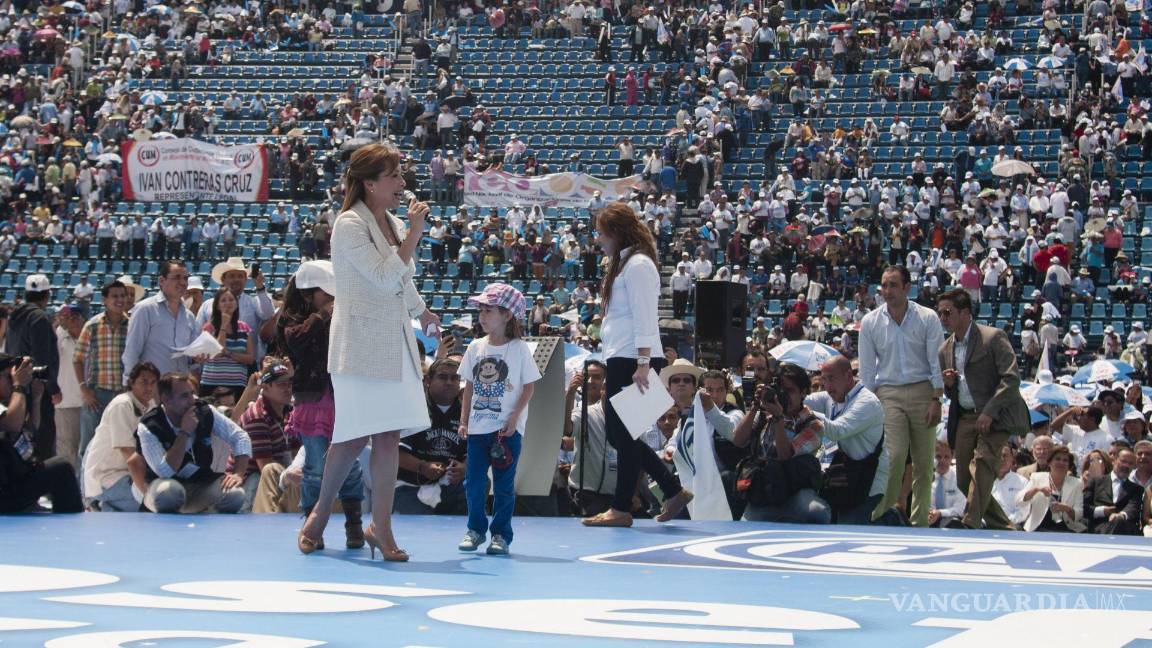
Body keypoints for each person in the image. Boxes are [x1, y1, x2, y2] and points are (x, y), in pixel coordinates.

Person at [298, 143, 439, 562]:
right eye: (393, 175)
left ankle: (382, 526)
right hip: (359, 344)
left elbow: (401, 279)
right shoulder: (348, 224)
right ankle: (320, 514)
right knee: (351, 435)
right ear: (370, 183)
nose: (402, 182)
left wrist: (422, 311)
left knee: (388, 435)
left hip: (394, 341)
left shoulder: (391, 221)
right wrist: (414, 235)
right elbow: (382, 276)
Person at [581, 203, 693, 527]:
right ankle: (672, 490)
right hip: (622, 356)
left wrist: (643, 363)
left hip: (635, 358)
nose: (598, 239)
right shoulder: (624, 263)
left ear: (616, 233)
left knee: (624, 434)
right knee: (619, 435)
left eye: (602, 233)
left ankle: (621, 508)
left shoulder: (639, 265)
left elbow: (645, 316)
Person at [276, 261, 364, 539]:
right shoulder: (290, 319)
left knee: (350, 463)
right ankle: (313, 527)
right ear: (307, 294)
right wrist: (323, 315)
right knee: (314, 465)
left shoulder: (339, 315)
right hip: (311, 399)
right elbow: (294, 341)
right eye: (324, 293)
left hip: (342, 396)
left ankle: (354, 524)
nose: (330, 298)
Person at [936, 288, 1030, 529]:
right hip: (965, 416)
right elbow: (952, 392)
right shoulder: (944, 349)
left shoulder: (993, 337)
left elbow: (1011, 379)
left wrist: (989, 411)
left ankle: (970, 522)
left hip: (997, 415)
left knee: (982, 466)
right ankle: (1005, 527)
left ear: (965, 313)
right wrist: (948, 385)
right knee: (963, 479)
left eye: (947, 312)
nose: (943, 318)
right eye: (940, 313)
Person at [457, 283, 540, 555]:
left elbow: (529, 386)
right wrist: (464, 420)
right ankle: (475, 529)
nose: (482, 316)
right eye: (481, 310)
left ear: (506, 315)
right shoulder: (475, 347)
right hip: (478, 429)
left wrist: (515, 417)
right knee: (474, 483)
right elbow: (469, 387)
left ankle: (501, 535)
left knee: (504, 485)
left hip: (506, 431)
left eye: (488, 310)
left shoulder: (519, 349)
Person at [859, 265, 946, 526]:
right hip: (888, 394)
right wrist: (868, 408)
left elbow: (936, 362)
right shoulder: (870, 322)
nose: (887, 291)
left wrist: (937, 399)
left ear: (907, 287)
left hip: (923, 391)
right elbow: (866, 372)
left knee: (924, 463)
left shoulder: (928, 317)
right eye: (884, 285)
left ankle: (920, 523)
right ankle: (881, 516)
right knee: (894, 457)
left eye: (893, 285)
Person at [134, 372, 252, 514]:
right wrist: (184, 432)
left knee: (235, 494)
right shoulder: (149, 426)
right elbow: (165, 471)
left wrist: (238, 473)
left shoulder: (204, 411)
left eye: (192, 393)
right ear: (166, 399)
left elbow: (240, 437)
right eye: (184, 396)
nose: (191, 400)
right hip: (163, 485)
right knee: (169, 493)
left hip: (200, 484)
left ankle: (208, 521)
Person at [806, 355, 890, 524]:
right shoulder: (833, 395)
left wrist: (806, 414)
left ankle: (891, 519)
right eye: (824, 380)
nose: (827, 386)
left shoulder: (867, 402)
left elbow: (837, 431)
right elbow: (803, 400)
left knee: (848, 530)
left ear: (848, 375)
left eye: (831, 378)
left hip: (867, 483)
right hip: (844, 479)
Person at [0, 354, 83, 514]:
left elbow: (28, 431)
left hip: (13, 482)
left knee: (60, 468)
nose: (12, 380)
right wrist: (19, 386)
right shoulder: (10, 404)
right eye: (8, 376)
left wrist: (36, 399)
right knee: (61, 468)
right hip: (5, 493)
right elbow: (12, 425)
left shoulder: (7, 404)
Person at [82, 362, 159, 511]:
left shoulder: (151, 405)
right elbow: (127, 451)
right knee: (154, 503)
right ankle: (98, 504)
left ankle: (108, 506)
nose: (149, 387)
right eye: (144, 382)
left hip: (130, 473)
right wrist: (146, 488)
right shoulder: (122, 405)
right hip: (107, 478)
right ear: (131, 382)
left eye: (153, 382)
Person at [395, 355, 467, 515]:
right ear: (428, 380)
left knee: (480, 482)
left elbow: (475, 452)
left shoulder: (466, 414)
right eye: (442, 377)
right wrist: (422, 466)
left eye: (454, 378)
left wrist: (465, 468)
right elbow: (395, 453)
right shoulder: (413, 409)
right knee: (416, 527)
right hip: (411, 486)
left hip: (449, 485)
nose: (449, 382)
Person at [73, 280, 130, 463]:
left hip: (123, 395)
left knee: (122, 445)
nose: (120, 300)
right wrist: (84, 389)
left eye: (123, 295)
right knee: (88, 446)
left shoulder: (132, 325)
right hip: (96, 396)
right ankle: (84, 481)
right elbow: (78, 359)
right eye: (115, 296)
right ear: (105, 300)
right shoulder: (92, 325)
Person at [5, 274, 60, 460]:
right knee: (43, 442)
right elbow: (42, 357)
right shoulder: (39, 317)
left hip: (17, 386)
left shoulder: (13, 317)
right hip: (38, 389)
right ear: (47, 295)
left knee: (21, 440)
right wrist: (53, 388)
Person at [121, 260, 199, 383]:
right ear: (162, 281)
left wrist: (197, 357)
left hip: (180, 387)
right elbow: (132, 351)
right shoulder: (145, 309)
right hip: (152, 387)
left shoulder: (189, 316)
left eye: (185, 278)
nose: (182, 282)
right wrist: (130, 383)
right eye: (177, 277)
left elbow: (190, 358)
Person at [197, 257, 275, 363]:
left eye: (240, 276)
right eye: (232, 276)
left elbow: (268, 314)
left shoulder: (254, 302)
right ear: (223, 280)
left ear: (245, 280)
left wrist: (260, 287)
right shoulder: (207, 305)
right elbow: (197, 333)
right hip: (213, 366)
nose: (237, 279)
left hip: (247, 364)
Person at [565, 361, 615, 517]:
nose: (591, 381)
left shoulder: (625, 413)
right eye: (587, 377)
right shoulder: (582, 411)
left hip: (614, 495)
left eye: (597, 377)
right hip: (585, 493)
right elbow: (566, 430)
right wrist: (570, 394)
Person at [197, 288, 256, 400]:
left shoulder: (244, 328)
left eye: (231, 300)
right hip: (212, 384)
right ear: (217, 306)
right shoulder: (209, 328)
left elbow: (250, 359)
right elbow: (217, 353)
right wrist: (223, 326)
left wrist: (229, 353)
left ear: (236, 304)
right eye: (223, 300)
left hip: (237, 385)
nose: (227, 303)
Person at [1018, 446, 1085, 532]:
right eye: (1057, 459)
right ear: (1049, 463)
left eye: (1065, 460)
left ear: (1069, 466)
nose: (1061, 462)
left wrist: (1066, 508)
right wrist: (1036, 489)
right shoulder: (1037, 478)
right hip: (1038, 529)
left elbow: (1079, 515)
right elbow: (1019, 500)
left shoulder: (1077, 483)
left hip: (1066, 530)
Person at [53, 304, 85, 472]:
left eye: (75, 317)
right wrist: (61, 324)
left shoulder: (89, 336)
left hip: (89, 401)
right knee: (67, 450)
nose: (72, 321)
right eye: (69, 317)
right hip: (66, 402)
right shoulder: (58, 336)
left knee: (86, 448)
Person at [1083, 448, 1143, 535]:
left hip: (1124, 530)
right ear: (1114, 461)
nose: (1126, 465)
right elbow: (1083, 507)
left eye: (1130, 463)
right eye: (1123, 461)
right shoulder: (1095, 482)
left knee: (1118, 521)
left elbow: (1133, 507)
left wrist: (1121, 515)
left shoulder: (1137, 489)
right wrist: (1102, 511)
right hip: (1098, 529)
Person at [928, 440, 967, 527]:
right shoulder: (926, 478)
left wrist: (940, 513)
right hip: (930, 523)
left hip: (954, 525)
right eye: (938, 457)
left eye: (946, 457)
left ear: (952, 457)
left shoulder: (959, 477)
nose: (942, 461)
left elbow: (961, 509)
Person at [991, 445, 1030, 528]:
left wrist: (1007, 522)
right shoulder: (985, 481)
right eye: (998, 455)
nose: (1002, 459)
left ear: (1012, 458)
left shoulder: (1022, 482)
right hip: (987, 526)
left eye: (1005, 455)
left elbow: (1023, 510)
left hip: (1013, 527)